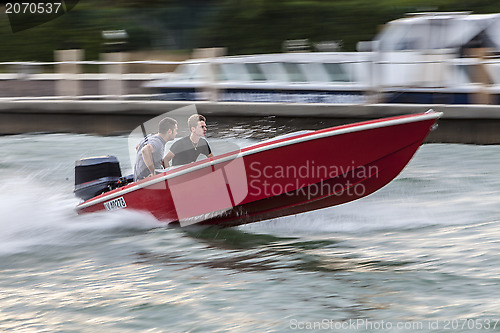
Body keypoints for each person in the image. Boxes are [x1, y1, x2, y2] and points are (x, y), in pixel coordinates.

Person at [134, 117, 178, 181]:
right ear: (169, 131)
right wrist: (153, 172)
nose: (176, 133)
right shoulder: (157, 142)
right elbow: (145, 150)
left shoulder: (151, 136)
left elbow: (138, 147)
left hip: (140, 179)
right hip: (147, 183)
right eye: (176, 130)